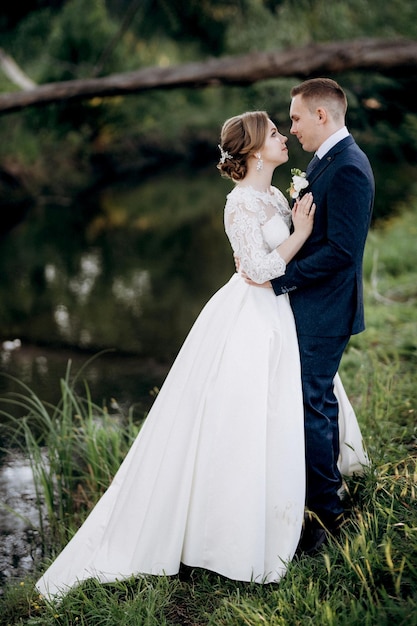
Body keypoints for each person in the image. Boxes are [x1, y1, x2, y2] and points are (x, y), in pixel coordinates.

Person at [35, 111, 367, 599]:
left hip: (282, 313)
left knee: (285, 407)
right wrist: (297, 234)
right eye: (276, 132)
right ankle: (236, 529)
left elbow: (281, 258)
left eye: (284, 127)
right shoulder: (238, 205)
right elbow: (256, 270)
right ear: (255, 151)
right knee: (245, 414)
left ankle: (301, 500)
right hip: (252, 313)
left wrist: (297, 227)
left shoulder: (275, 195)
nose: (283, 136)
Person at [266, 78, 375, 554]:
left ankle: (328, 519)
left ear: (321, 115)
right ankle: (324, 502)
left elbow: (342, 252)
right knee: (316, 402)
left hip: (326, 308)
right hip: (313, 304)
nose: (291, 129)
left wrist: (279, 277)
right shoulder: (324, 159)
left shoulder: (348, 167)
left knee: (311, 404)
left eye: (294, 118)